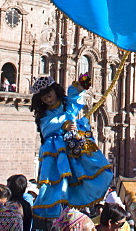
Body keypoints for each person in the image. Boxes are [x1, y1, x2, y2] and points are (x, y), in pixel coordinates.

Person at [29, 75, 113, 220]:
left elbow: (75, 98)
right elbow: (46, 126)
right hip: (57, 147)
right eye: (45, 99)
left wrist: (81, 86)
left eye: (50, 96)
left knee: (87, 165)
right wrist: (63, 124)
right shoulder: (45, 115)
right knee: (60, 177)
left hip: (76, 140)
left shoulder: (67, 103)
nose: (49, 100)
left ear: (55, 91)